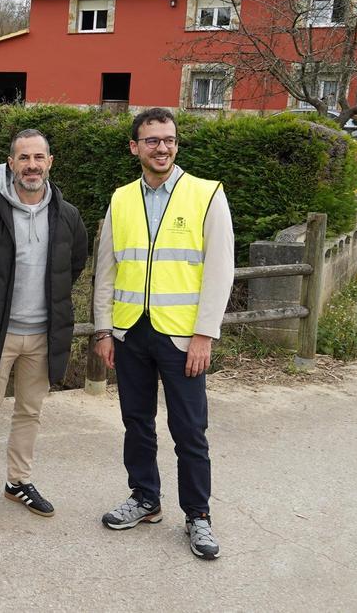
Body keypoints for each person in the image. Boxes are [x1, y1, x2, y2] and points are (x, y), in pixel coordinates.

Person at [93, 107, 234, 560]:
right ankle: (145, 499)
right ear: (135, 147)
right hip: (131, 333)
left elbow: (219, 272)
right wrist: (103, 330)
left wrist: (205, 334)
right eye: (152, 140)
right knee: (137, 423)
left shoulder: (207, 194)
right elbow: (106, 271)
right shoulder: (121, 198)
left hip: (182, 339)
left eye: (169, 139)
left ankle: (198, 516)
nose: (162, 147)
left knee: (190, 430)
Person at [0, 129, 88, 524]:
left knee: (30, 411)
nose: (31, 165)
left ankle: (18, 482)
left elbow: (75, 265)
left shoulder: (67, 216)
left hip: (44, 333)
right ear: (10, 163)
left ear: (50, 162)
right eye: (24, 158)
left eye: (39, 157)